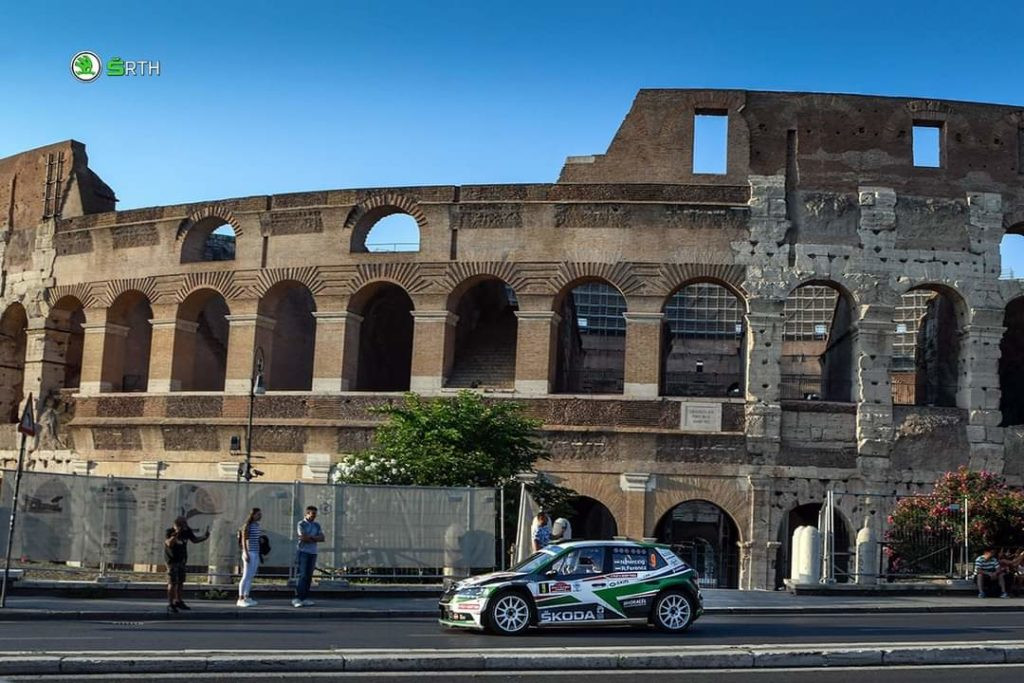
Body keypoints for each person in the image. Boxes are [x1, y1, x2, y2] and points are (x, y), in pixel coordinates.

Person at [164, 516, 210, 613]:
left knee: (180, 582)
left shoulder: (187, 531)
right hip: (172, 561)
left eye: (186, 523)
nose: (186, 525)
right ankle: (170, 604)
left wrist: (205, 537)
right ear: (178, 525)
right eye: (184, 524)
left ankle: (178, 601)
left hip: (182, 560)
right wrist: (176, 533)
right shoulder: (169, 531)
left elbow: (194, 540)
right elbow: (169, 544)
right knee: (172, 582)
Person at [292, 505, 325, 608]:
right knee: (303, 575)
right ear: (307, 514)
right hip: (303, 552)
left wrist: (311, 537)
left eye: (315, 514)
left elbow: (322, 538)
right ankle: (297, 598)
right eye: (312, 514)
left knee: (309, 576)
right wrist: (314, 538)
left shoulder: (317, 525)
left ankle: (305, 597)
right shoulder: (301, 524)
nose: (314, 516)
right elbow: (303, 537)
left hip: (313, 552)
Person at [237, 508, 264, 607]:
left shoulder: (257, 525)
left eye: (260, 514)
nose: (260, 516)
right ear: (252, 515)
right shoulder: (247, 526)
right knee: (246, 576)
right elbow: (244, 540)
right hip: (249, 552)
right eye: (258, 514)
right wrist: (246, 552)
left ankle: (246, 596)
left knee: (251, 576)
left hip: (256, 552)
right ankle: (240, 598)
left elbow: (255, 538)